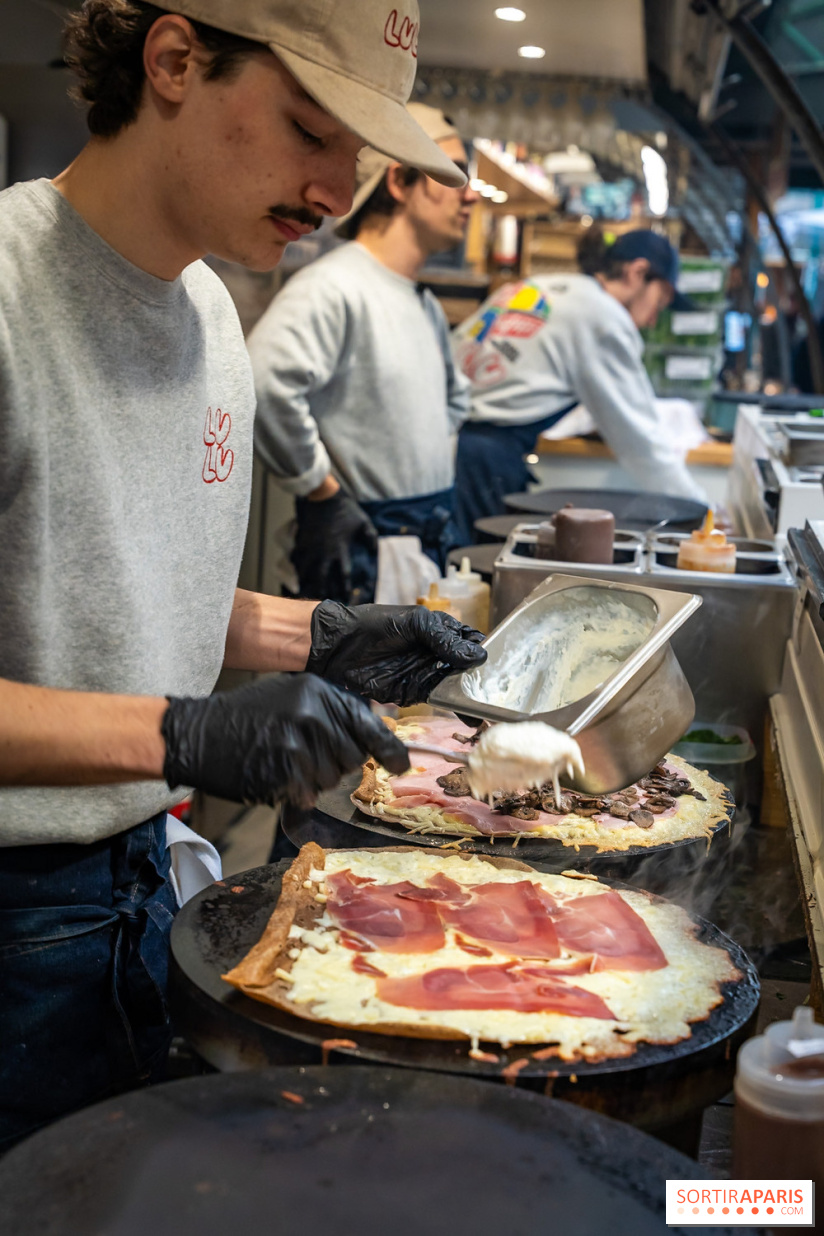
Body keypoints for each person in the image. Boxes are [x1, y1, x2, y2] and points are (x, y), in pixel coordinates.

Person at [0, 0, 486, 1147]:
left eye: (356, 159)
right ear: (174, 60)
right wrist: (182, 736)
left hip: (142, 884)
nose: (334, 190)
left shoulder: (211, 315)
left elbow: (101, 589)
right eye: (309, 132)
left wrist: (314, 635)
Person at [249, 104, 478, 604]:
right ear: (400, 181)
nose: (472, 194)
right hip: (361, 551)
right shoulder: (334, 287)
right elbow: (265, 382)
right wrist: (320, 489)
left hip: (418, 540)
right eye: (454, 175)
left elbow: (455, 404)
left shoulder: (421, 301)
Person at [451, 229, 708, 542]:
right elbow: (640, 440)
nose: (654, 319)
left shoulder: (537, 286)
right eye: (661, 300)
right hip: (481, 465)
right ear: (638, 272)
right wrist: (702, 515)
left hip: (443, 443)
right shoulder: (603, 317)